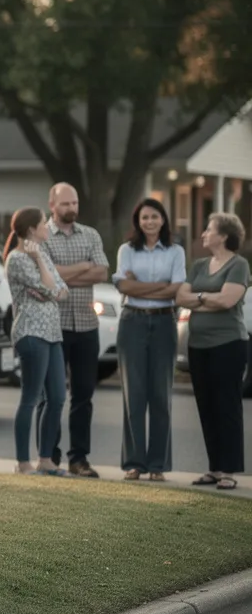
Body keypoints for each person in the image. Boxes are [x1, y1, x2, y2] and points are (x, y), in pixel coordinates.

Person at [37, 183, 110, 478]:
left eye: (75, 203)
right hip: (53, 327)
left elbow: (102, 272)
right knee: (50, 397)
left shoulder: (91, 234)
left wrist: (61, 274)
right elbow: (45, 276)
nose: (72, 208)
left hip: (86, 326)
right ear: (52, 205)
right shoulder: (42, 235)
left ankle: (79, 459)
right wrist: (83, 266)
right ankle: (49, 457)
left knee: (83, 396)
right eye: (66, 203)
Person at [113, 199, 185, 482]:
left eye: (154, 216)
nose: (150, 222)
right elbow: (123, 285)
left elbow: (177, 289)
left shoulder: (176, 251)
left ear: (163, 219)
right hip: (132, 322)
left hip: (164, 323)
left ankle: (157, 465)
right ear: (138, 221)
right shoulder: (127, 250)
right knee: (134, 395)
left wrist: (138, 286)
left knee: (160, 395)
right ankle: (134, 463)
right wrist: (160, 287)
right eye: (144, 217)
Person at [176, 213, 248, 491]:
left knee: (227, 406)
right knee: (206, 407)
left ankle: (228, 471)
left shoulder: (238, 265)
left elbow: (228, 300)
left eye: (209, 229)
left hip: (228, 345)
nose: (204, 234)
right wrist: (208, 299)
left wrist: (199, 298)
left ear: (224, 236)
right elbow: (181, 297)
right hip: (198, 346)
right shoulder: (199, 265)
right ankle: (214, 468)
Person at [4, 207, 70, 475]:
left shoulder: (41, 253)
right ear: (32, 229)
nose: (47, 227)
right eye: (44, 223)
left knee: (58, 396)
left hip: (52, 333)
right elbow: (50, 288)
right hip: (31, 333)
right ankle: (23, 462)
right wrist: (48, 282)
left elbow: (62, 290)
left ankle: (46, 459)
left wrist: (48, 284)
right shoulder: (17, 259)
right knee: (30, 398)